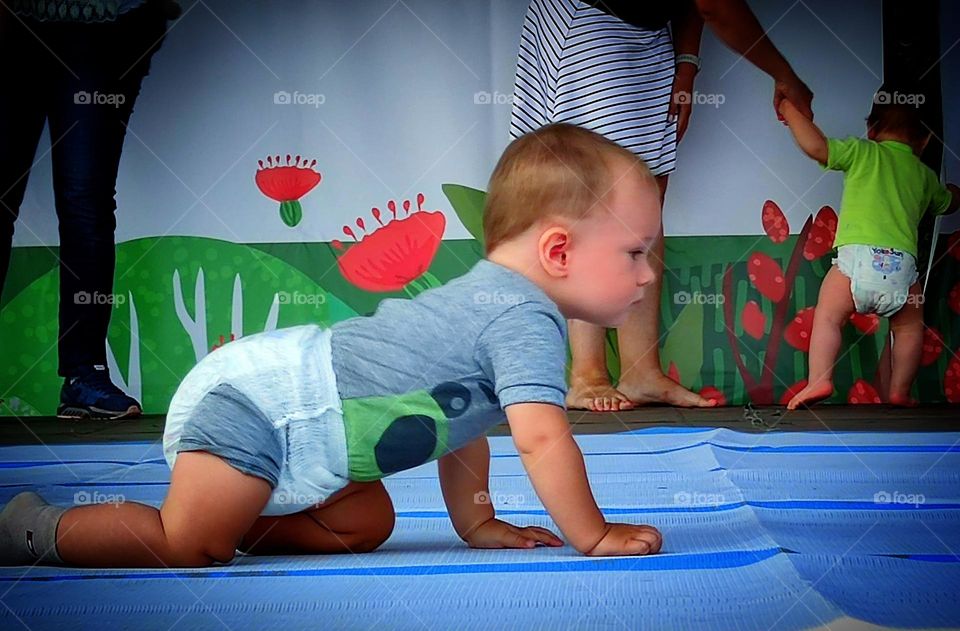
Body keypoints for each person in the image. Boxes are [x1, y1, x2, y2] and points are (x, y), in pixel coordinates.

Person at [0, 123, 665, 568]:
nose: (648, 272)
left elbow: (465, 420)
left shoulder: (503, 305)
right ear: (558, 249)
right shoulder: (521, 316)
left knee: (366, 522)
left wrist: (476, 523)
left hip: (307, 445)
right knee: (186, 544)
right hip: (256, 407)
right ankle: (34, 528)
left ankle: (239, 516)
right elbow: (542, 440)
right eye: (635, 251)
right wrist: (594, 534)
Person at [511, 0, 815, 411]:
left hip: (651, 35)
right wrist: (784, 75)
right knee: (590, 202)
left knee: (642, 203)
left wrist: (686, 62)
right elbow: (714, 4)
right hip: (588, 21)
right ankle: (587, 374)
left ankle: (640, 372)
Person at [0, 0, 177, 419]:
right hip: (12, 22)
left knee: (85, 202)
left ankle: (84, 374)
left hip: (107, 25)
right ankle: (84, 375)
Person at [780, 92, 960, 410]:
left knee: (828, 317)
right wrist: (954, 193)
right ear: (924, 140)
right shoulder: (924, 176)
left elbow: (817, 148)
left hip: (855, 263)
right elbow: (946, 203)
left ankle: (819, 379)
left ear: (871, 130)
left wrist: (790, 111)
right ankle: (899, 391)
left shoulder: (863, 153)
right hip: (902, 269)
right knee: (907, 329)